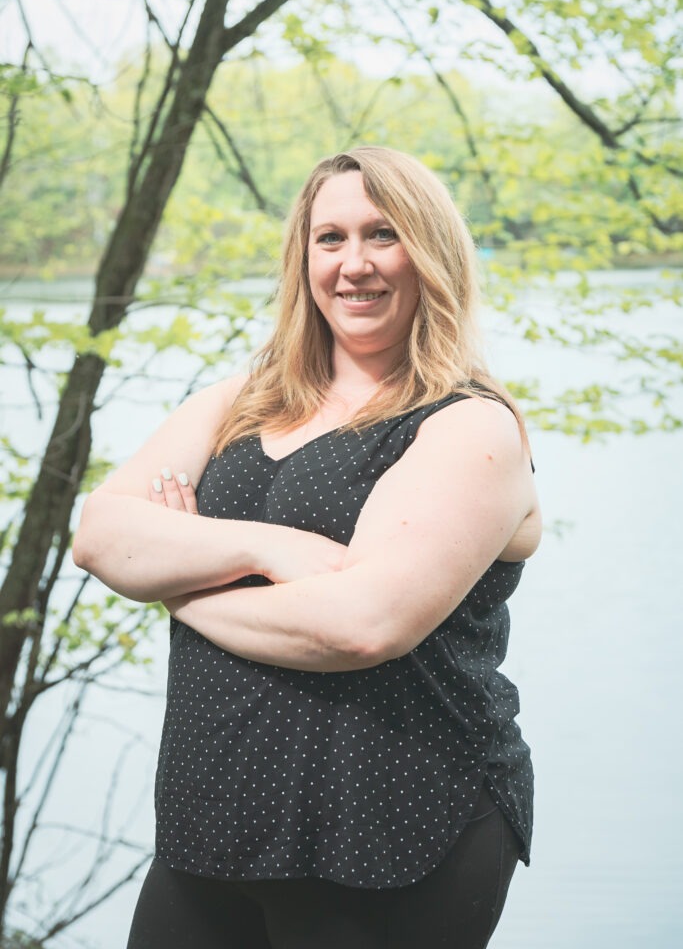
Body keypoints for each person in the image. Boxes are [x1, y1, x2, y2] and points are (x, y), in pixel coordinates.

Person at [73, 146, 541, 949]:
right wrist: (267, 547)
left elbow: (360, 626)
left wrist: (181, 581)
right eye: (330, 239)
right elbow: (98, 535)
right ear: (304, 258)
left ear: (428, 251)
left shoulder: (466, 425)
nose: (353, 264)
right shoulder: (246, 399)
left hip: (395, 824)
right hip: (212, 816)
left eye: (382, 234)